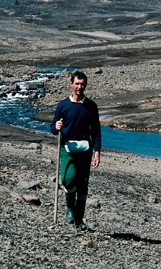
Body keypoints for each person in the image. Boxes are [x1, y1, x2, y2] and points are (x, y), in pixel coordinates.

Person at [50, 70, 101, 230]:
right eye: (77, 83)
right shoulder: (63, 105)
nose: (80, 87)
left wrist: (97, 151)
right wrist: (55, 127)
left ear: (86, 85)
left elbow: (96, 131)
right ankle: (70, 208)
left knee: (83, 184)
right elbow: (53, 126)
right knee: (68, 179)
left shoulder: (91, 106)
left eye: (82, 84)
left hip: (85, 150)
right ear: (71, 84)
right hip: (66, 148)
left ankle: (79, 221)